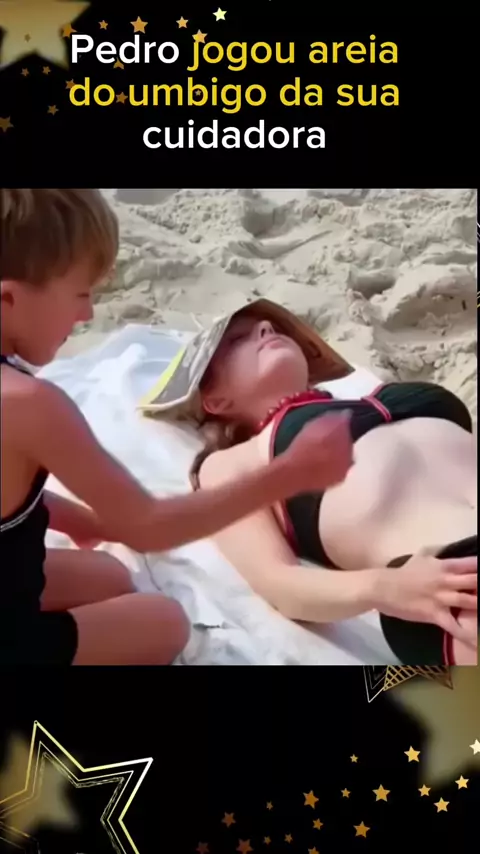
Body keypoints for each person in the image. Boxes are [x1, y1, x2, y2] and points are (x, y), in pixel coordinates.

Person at [0, 189, 355, 667]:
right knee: (165, 621)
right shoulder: (31, 404)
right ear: (8, 298)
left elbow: (14, 487)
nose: (87, 314)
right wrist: (290, 472)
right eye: (81, 294)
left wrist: (89, 522)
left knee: (109, 575)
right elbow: (149, 527)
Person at [189, 306, 478, 665]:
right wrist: (384, 587)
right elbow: (279, 583)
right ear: (216, 400)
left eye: (271, 327)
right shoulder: (234, 463)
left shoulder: (373, 395)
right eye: (236, 340)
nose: (265, 328)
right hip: (452, 576)